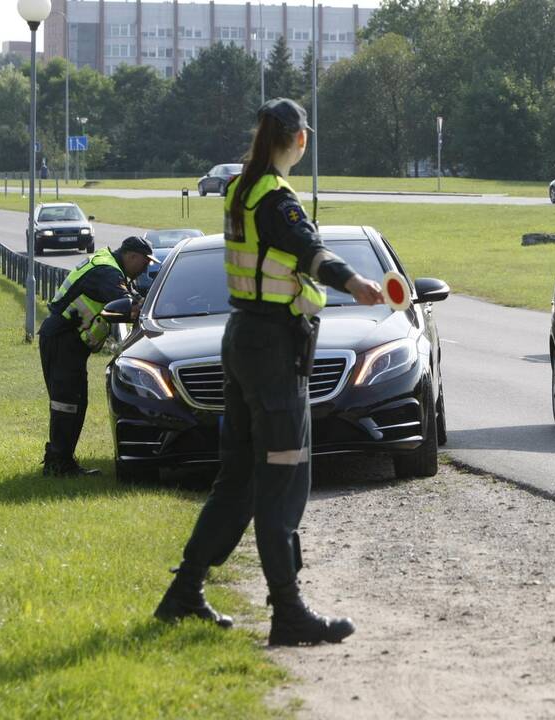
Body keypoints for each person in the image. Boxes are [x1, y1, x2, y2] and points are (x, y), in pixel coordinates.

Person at [154, 98, 385, 646]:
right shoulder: (275, 198)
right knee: (284, 476)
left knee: (236, 479)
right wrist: (355, 283)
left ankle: (184, 592)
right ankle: (288, 612)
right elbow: (308, 250)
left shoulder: (238, 188)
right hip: (273, 350)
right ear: (299, 140)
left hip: (242, 340)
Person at [40, 236, 155, 476]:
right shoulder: (107, 272)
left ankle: (63, 462)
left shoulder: (112, 268)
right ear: (132, 256)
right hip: (62, 340)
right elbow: (131, 305)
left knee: (76, 402)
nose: (146, 267)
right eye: (145, 262)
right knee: (67, 405)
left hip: (69, 342)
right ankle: (56, 465)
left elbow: (133, 296)